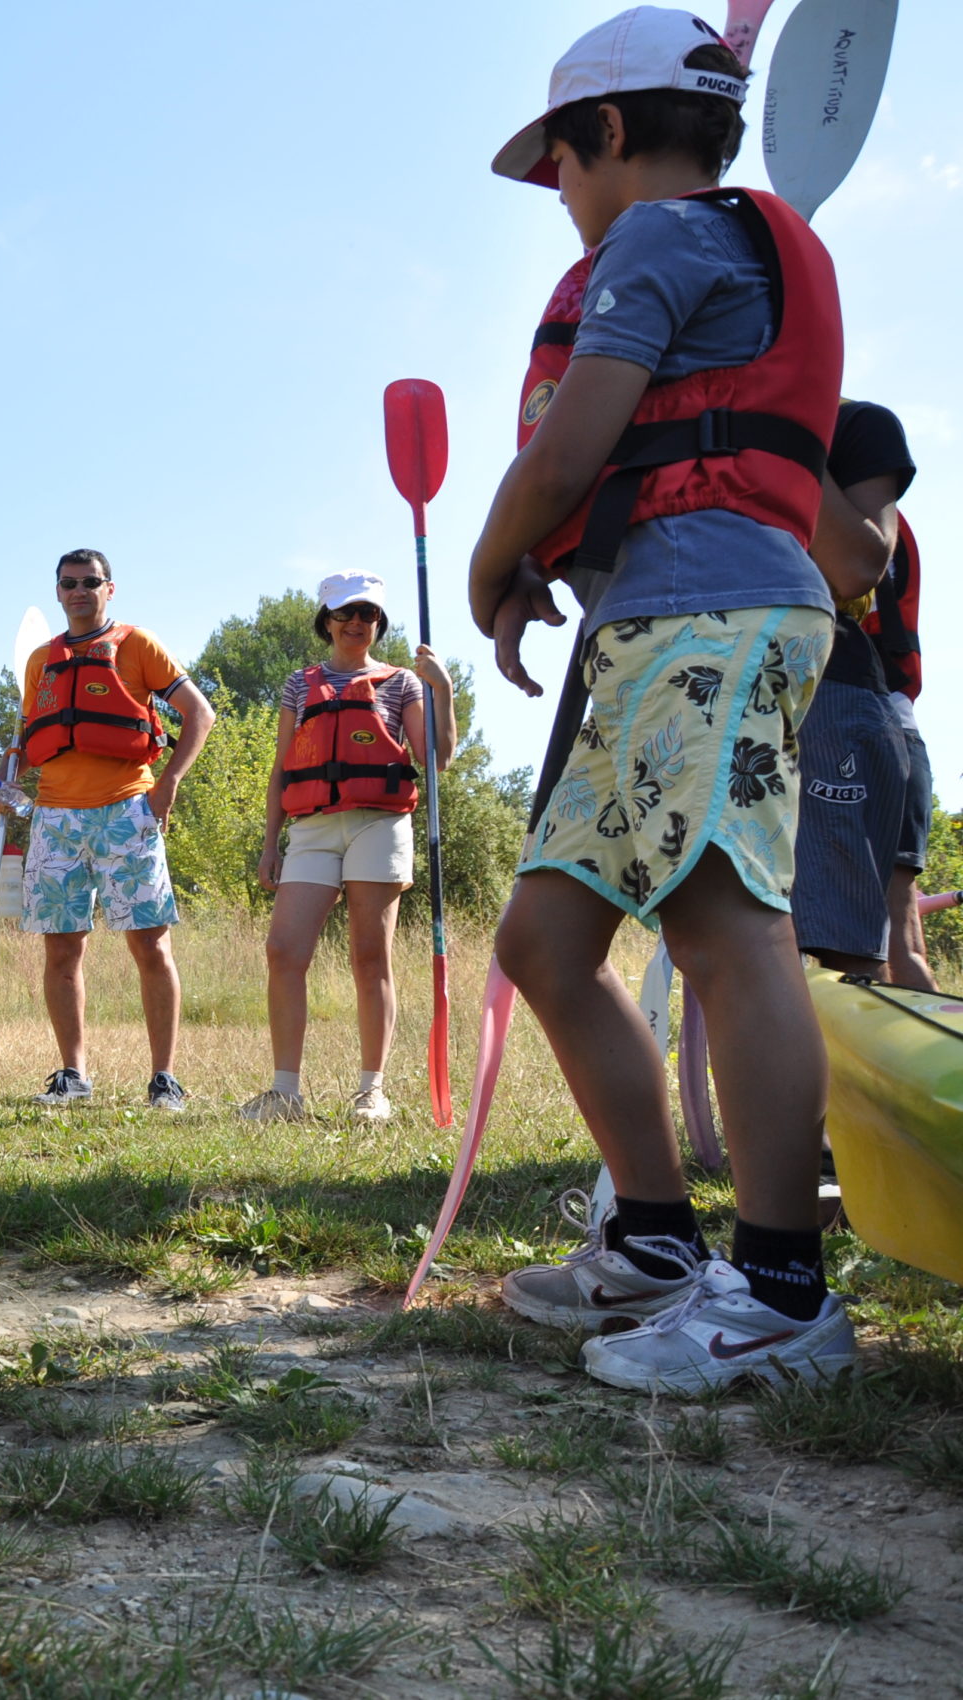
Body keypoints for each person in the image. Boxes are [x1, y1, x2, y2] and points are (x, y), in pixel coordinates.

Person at [469, 9, 855, 1393]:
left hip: (716, 612)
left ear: (612, 134)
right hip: (659, 614)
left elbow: (570, 446)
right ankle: (651, 1243)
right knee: (545, 940)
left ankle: (780, 1291)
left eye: (559, 166)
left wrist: (491, 562)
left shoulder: (656, 237)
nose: (561, 201)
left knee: (718, 922)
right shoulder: (724, 247)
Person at [0, 548, 215, 1110]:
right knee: (62, 952)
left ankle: (164, 1078)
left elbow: (200, 713)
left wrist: (167, 786)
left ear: (109, 589)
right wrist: (4, 785)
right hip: (55, 819)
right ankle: (73, 1075)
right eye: (68, 583)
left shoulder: (138, 644)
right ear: (58, 591)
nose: (78, 591)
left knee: (150, 945)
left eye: (90, 582)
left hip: (126, 813)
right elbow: (25, 739)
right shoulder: (40, 660)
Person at [242, 573, 456, 1124]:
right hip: (312, 828)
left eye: (368, 614)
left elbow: (438, 759)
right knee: (284, 952)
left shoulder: (403, 683)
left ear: (378, 624)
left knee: (369, 957)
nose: (357, 623)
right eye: (345, 614)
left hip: (378, 825)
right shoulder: (299, 684)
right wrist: (272, 844)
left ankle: (371, 1092)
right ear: (327, 621)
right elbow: (281, 769)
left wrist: (443, 691)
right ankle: (285, 1093)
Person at [793, 401, 913, 983]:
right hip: (714, 682)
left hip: (831, 686)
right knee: (731, 938)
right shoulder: (689, 407)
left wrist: (777, 429)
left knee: (846, 954)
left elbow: (856, 568)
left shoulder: (859, 426)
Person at [859, 497, 938, 991]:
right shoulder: (884, 518)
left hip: (858, 731)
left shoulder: (846, 519)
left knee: (854, 942)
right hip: (904, 736)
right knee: (902, 938)